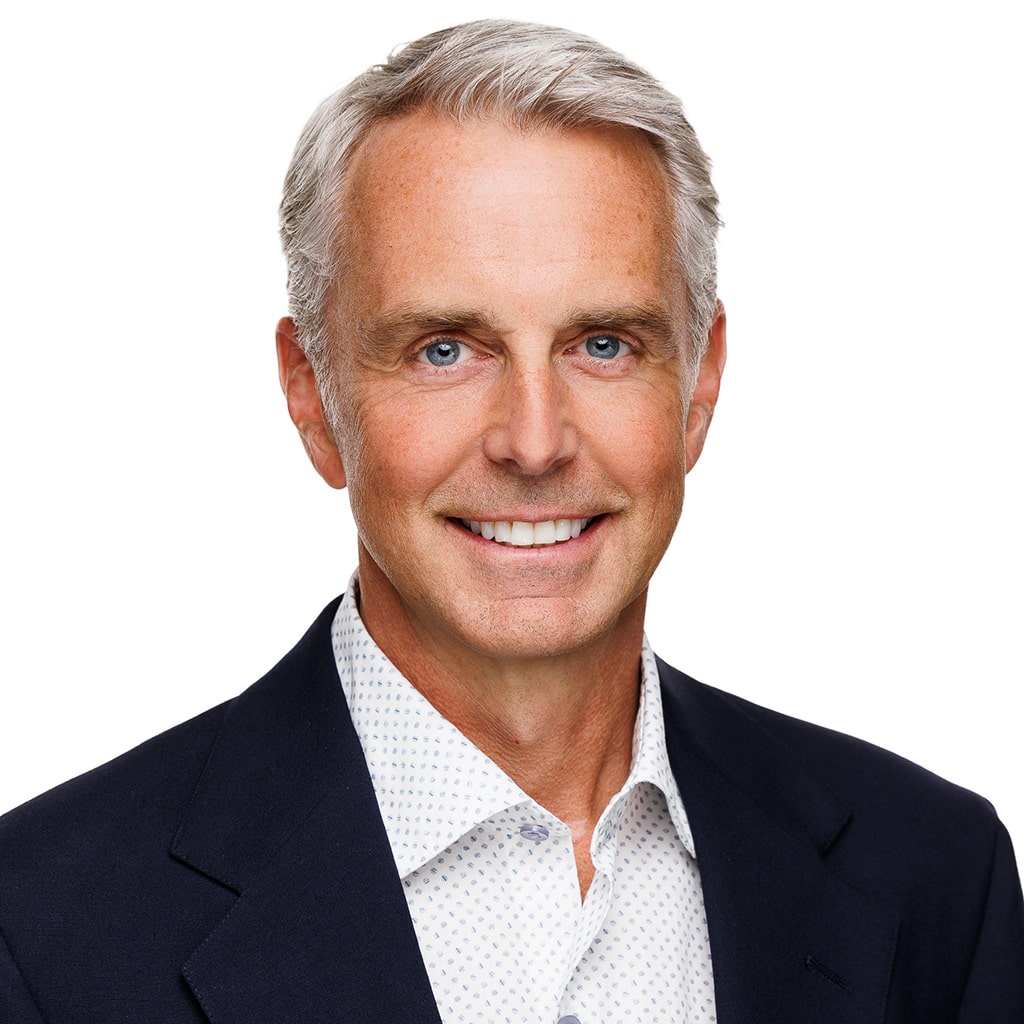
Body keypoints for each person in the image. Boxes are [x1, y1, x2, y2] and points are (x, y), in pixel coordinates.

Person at [1, 18, 1021, 1023]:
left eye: (605, 344)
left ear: (699, 387)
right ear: (312, 396)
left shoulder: (933, 876)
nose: (534, 442)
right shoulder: (40, 928)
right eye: (444, 349)